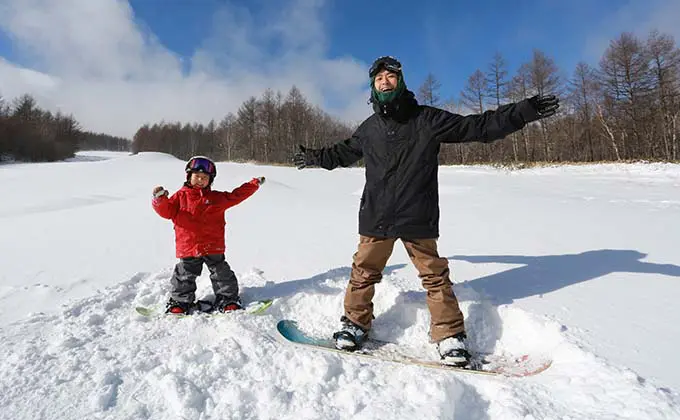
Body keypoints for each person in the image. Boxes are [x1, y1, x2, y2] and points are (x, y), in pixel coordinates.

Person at [293, 56, 559, 366]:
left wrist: (522, 112)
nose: (384, 81)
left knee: (434, 277)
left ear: (400, 82)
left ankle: (449, 335)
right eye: (379, 78)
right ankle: (354, 324)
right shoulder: (369, 129)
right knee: (363, 273)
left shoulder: (427, 119)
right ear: (373, 87)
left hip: (416, 213)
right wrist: (315, 157)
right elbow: (341, 152)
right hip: (376, 215)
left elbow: (478, 126)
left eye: (390, 77)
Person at [152, 155, 265, 314]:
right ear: (189, 176)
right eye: (197, 176)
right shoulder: (180, 197)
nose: (200, 180)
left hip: (213, 246)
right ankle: (180, 302)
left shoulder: (216, 198)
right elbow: (166, 212)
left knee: (222, 273)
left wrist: (253, 184)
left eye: (205, 178)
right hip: (189, 246)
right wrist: (159, 200)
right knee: (184, 275)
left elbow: (236, 195)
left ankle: (228, 299)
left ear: (210, 181)